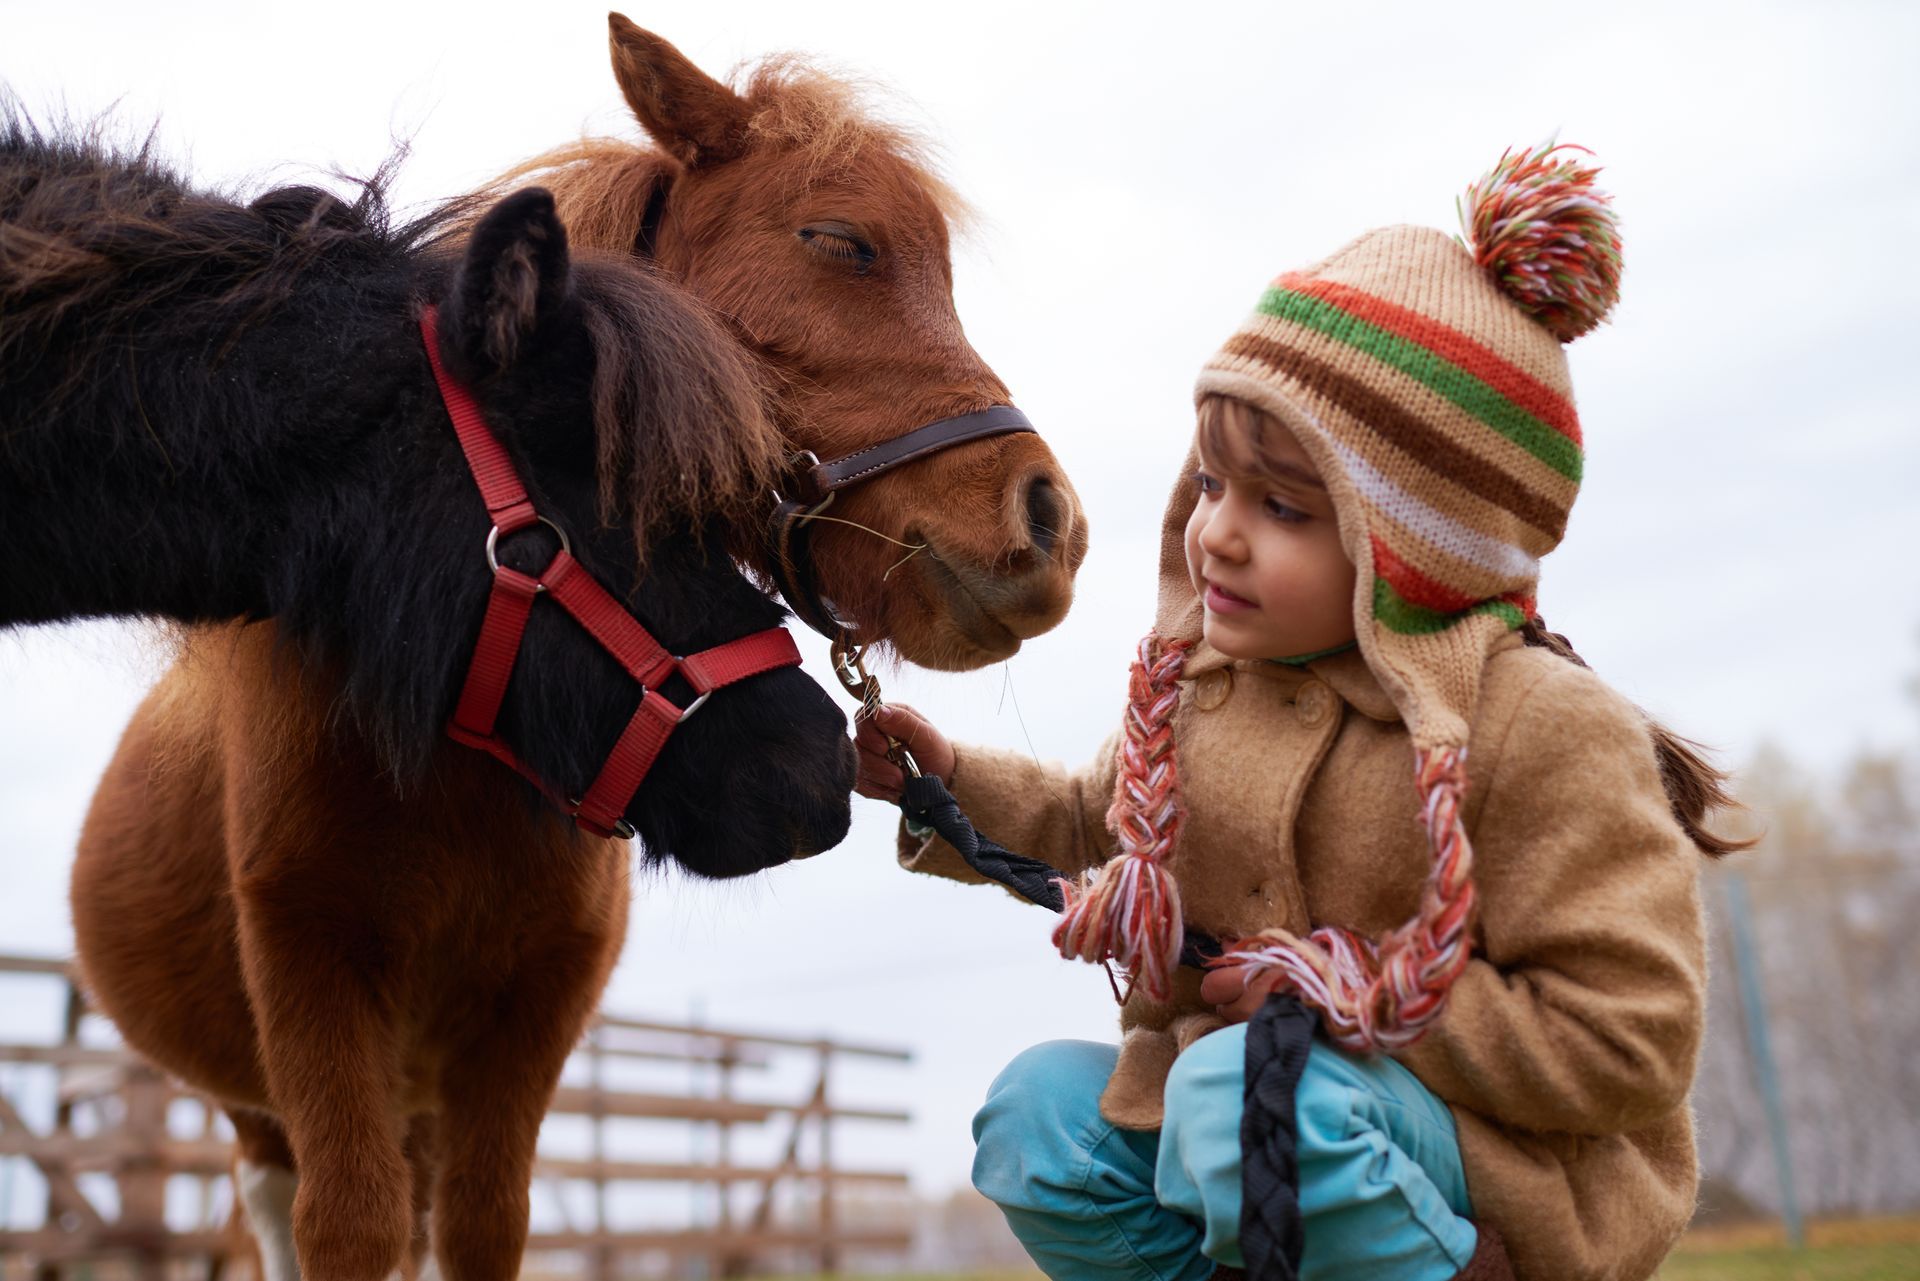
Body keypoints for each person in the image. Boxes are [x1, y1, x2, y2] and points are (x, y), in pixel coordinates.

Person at [854, 143, 1745, 1281]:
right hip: (1240, 1124)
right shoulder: (1207, 690)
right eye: (1214, 484)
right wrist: (945, 786)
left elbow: (1633, 1037)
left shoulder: (1538, 728)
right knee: (1040, 1119)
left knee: (1239, 1092)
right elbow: (1094, 818)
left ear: (1415, 542)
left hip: (1489, 1171)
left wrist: (1347, 995)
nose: (1217, 530)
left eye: (1282, 505)